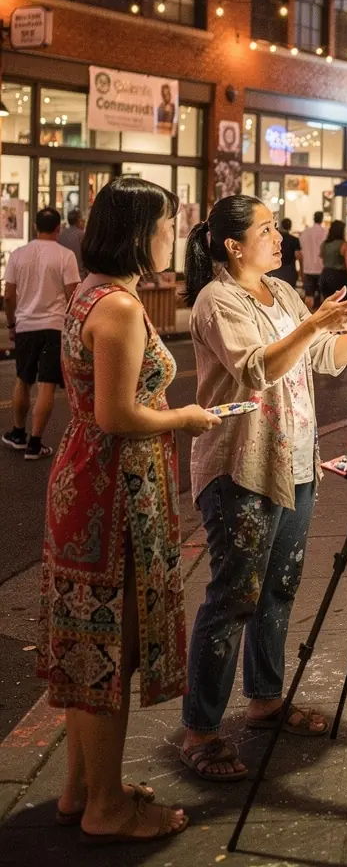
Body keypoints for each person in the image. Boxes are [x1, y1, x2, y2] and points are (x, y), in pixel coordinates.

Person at [179, 197, 347, 780]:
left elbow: (324, 358)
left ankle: (265, 701)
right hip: (242, 467)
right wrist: (313, 324)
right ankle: (200, 730)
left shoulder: (282, 293)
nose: (280, 237)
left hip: (297, 460)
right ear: (232, 245)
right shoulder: (217, 300)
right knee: (232, 596)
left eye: (277, 227)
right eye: (267, 229)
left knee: (278, 587)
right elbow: (258, 368)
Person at [37, 177, 220, 844]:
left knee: (91, 648)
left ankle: (84, 789)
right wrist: (186, 415)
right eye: (168, 223)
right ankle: (105, 809)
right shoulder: (116, 307)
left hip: (89, 482)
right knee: (110, 650)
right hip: (111, 494)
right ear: (139, 231)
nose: (173, 234)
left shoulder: (91, 293)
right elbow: (118, 413)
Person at [3, 207, 81, 460]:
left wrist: (12, 325)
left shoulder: (18, 254)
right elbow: (73, 294)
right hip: (54, 327)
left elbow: (8, 295)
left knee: (23, 380)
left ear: (35, 226)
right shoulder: (65, 256)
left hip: (25, 326)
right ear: (58, 228)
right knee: (46, 384)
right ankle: (35, 444)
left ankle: (17, 433)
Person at [319, 219, 347, 298]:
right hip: (339, 276)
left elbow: (321, 255)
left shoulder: (324, 244)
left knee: (328, 301)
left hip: (325, 274)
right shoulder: (345, 245)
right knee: (341, 302)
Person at [299, 211, 327, 310]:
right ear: (322, 219)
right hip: (321, 268)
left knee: (309, 296)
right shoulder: (325, 232)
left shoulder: (305, 232)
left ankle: (308, 316)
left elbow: (301, 247)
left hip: (307, 267)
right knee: (321, 297)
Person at [270, 218, 301, 290]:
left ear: (281, 225)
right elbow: (298, 256)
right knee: (289, 294)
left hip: (274, 269)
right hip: (289, 271)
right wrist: (301, 273)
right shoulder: (294, 239)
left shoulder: (274, 239)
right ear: (290, 226)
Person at [58, 209, 87, 278]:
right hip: (79, 275)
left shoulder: (61, 234)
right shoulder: (82, 235)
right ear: (79, 221)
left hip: (62, 274)